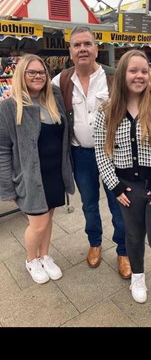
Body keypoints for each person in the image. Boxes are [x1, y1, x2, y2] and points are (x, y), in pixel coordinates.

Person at [52, 26, 151, 280]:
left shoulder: (115, 75)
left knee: (120, 202)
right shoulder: (60, 80)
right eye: (77, 45)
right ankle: (95, 243)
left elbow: (144, 89)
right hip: (81, 154)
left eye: (88, 44)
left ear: (96, 48)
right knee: (89, 204)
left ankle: (124, 251)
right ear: (70, 51)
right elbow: (39, 94)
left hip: (116, 155)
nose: (83, 49)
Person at [94, 49, 151, 320]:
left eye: (144, 71)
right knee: (132, 236)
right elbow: (101, 149)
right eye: (133, 71)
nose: (140, 76)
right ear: (122, 74)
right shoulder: (108, 109)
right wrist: (114, 185)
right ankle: (137, 275)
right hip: (127, 187)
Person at [0, 54, 75, 285]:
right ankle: (31, 259)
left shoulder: (53, 97)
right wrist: (7, 188)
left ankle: (44, 256)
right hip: (31, 177)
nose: (37, 76)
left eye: (41, 72)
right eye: (31, 72)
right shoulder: (9, 106)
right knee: (38, 224)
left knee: (49, 218)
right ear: (22, 74)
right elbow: (2, 149)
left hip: (54, 174)